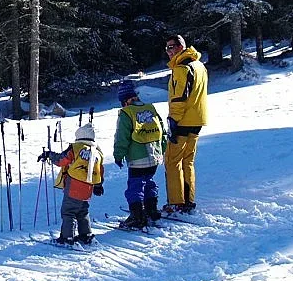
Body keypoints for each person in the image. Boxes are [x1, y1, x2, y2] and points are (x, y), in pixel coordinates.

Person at [37, 123, 105, 245]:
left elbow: (62, 159)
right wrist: (98, 185)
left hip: (74, 184)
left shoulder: (76, 147)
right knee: (82, 210)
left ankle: (67, 238)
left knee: (68, 211)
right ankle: (86, 234)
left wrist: (49, 155)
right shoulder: (98, 151)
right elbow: (100, 170)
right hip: (88, 187)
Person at [163, 34, 208, 215]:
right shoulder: (199, 66)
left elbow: (179, 98)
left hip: (182, 121)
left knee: (173, 162)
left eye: (171, 47)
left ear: (181, 47)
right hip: (197, 121)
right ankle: (188, 201)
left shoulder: (181, 68)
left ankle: (176, 202)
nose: (168, 51)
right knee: (187, 161)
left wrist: (173, 120)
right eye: (166, 48)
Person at [113, 80, 166, 229]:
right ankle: (152, 210)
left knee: (135, 187)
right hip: (154, 157)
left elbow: (122, 138)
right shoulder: (151, 108)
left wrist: (118, 155)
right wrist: (162, 149)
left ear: (124, 100)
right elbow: (163, 132)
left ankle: (137, 216)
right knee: (149, 181)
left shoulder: (126, 113)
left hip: (138, 158)